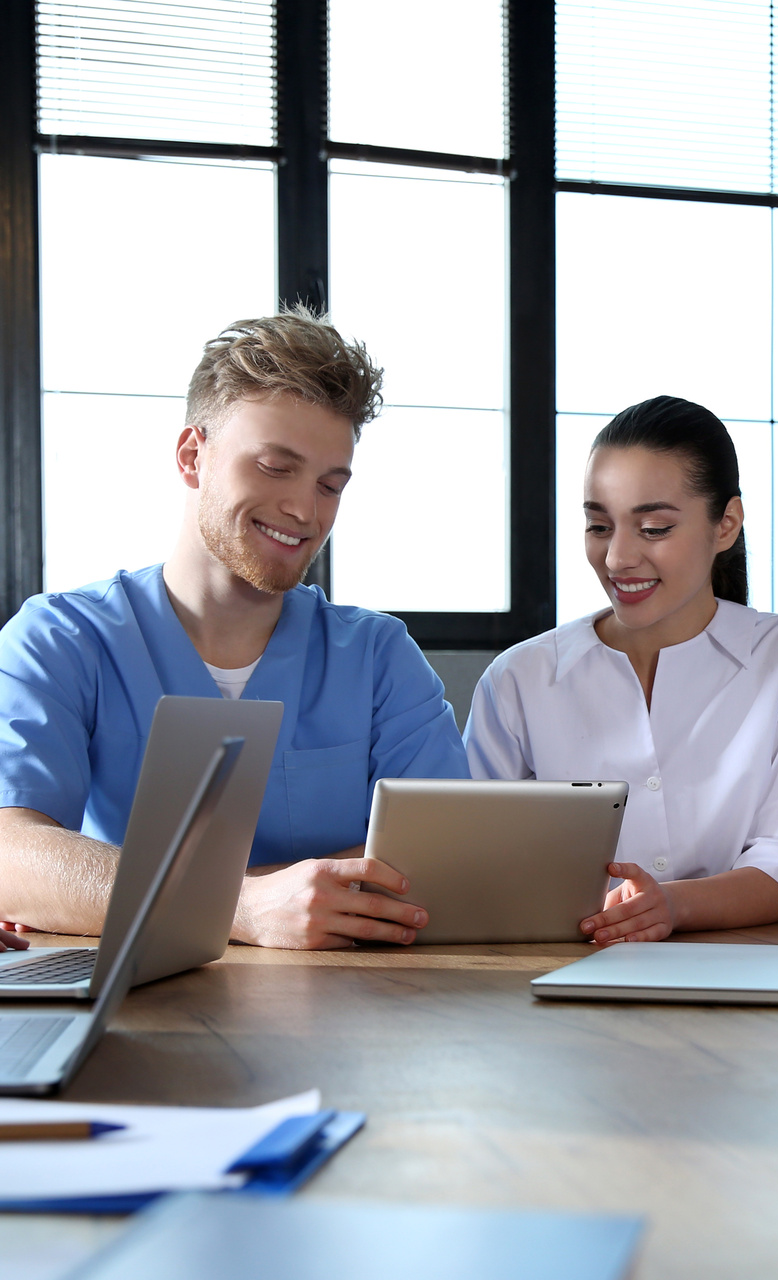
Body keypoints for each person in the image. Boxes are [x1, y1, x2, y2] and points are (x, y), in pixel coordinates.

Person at [0, 311, 469, 950]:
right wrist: (242, 905)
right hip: (140, 1016)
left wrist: (126, 891)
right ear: (193, 456)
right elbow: (11, 853)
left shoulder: (379, 657)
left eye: (331, 485)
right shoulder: (61, 640)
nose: (305, 510)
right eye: (276, 467)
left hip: (355, 1016)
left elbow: (441, 858)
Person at [465, 396, 778, 943]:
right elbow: (481, 861)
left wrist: (669, 905)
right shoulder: (518, 679)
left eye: (654, 529)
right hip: (587, 962)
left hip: (775, 959)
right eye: (599, 526)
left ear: (726, 525)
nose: (617, 558)